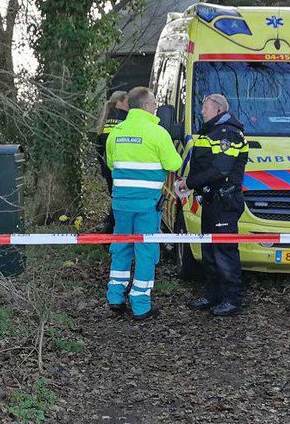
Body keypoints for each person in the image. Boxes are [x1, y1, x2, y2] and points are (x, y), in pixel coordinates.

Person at [105, 87, 182, 321]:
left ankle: (115, 298)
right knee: (146, 252)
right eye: (155, 104)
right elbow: (173, 162)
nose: (156, 108)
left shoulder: (116, 132)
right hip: (147, 206)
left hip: (121, 203)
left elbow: (111, 164)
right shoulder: (157, 133)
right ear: (147, 106)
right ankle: (140, 305)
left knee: (121, 248)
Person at [179, 94, 248, 316]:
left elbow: (221, 169)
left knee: (224, 252)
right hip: (211, 200)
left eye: (205, 108)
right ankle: (212, 295)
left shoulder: (229, 134)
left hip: (224, 202)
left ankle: (231, 299)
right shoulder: (211, 131)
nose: (202, 112)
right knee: (209, 251)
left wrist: (189, 183)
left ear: (218, 109)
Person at [95, 91, 129, 233]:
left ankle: (108, 228)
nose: (129, 105)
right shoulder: (125, 119)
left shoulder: (105, 118)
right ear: (119, 102)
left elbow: (98, 147)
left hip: (108, 167)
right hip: (121, 167)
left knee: (116, 198)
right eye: (127, 101)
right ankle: (108, 229)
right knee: (121, 200)